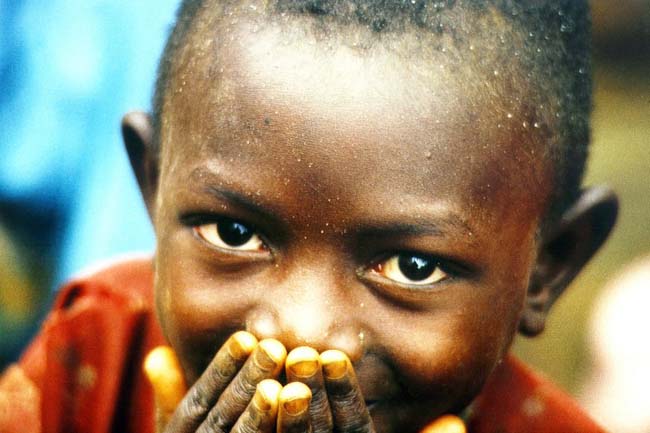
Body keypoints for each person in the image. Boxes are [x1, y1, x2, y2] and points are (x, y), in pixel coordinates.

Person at [0, 1, 619, 432]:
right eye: (234, 233)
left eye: (412, 266)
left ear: (548, 268)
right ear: (153, 185)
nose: (299, 332)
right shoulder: (88, 361)